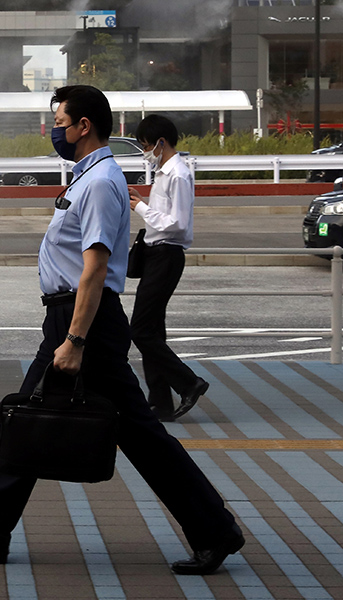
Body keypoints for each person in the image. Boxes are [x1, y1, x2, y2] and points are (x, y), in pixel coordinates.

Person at [0, 85, 244, 575]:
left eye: (60, 120)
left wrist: (74, 339)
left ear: (84, 126)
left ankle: (215, 530)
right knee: (35, 417)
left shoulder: (99, 182)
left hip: (84, 323)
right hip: (73, 318)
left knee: (125, 433)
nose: (54, 129)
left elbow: (94, 267)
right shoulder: (88, 178)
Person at [128, 115, 209, 422]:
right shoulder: (163, 172)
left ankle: (189, 383)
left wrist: (141, 207)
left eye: (146, 146)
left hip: (167, 254)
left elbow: (177, 223)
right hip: (154, 253)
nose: (145, 152)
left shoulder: (177, 174)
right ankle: (160, 401)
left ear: (160, 142)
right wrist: (142, 204)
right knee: (152, 330)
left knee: (141, 329)